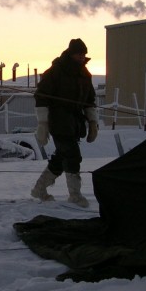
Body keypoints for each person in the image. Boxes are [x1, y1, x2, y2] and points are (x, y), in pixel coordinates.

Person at [31, 38, 98, 207]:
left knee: (61, 157)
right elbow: (41, 96)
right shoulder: (56, 71)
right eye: (79, 54)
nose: (82, 57)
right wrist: (43, 124)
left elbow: (90, 100)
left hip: (75, 122)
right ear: (71, 53)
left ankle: (39, 189)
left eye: (84, 54)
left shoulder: (85, 74)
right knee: (72, 155)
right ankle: (75, 195)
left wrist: (93, 122)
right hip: (59, 121)